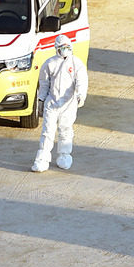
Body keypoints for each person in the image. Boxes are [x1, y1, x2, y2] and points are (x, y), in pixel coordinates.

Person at [31, 34, 88, 172]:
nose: (65, 50)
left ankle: (64, 156)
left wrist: (81, 95)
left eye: (67, 47)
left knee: (65, 131)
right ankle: (42, 159)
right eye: (62, 47)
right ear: (57, 48)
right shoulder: (49, 64)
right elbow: (44, 84)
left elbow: (81, 81)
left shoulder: (76, 63)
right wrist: (41, 100)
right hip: (52, 103)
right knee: (47, 132)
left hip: (68, 104)